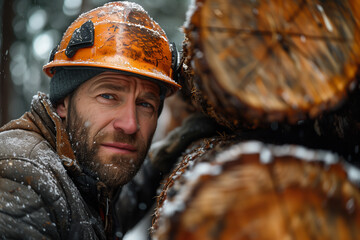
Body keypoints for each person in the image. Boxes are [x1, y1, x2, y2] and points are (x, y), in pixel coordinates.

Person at [0, 1, 182, 239]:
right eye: (108, 96)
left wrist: (175, 148)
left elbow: (120, 204)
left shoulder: (83, 173)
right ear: (63, 102)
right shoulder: (20, 175)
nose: (129, 124)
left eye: (145, 104)